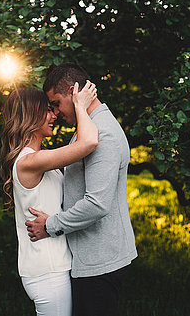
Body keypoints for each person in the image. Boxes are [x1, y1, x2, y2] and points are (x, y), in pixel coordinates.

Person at [25, 62, 138, 316]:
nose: (54, 112)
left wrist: (50, 225)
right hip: (92, 258)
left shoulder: (103, 133)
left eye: (55, 103)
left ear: (75, 93)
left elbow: (97, 204)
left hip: (100, 262)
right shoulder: (87, 128)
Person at [0, 80, 98, 316]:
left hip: (54, 267)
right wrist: (81, 106)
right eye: (46, 110)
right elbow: (89, 142)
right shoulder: (30, 161)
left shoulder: (39, 158)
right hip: (47, 272)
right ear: (31, 117)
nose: (54, 114)